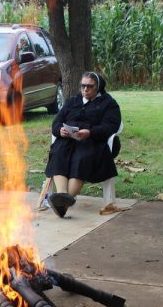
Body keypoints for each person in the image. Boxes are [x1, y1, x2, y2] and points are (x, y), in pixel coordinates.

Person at [44, 71, 121, 218]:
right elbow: (56, 122)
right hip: (67, 141)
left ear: (98, 87)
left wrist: (90, 132)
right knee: (59, 152)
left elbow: (111, 126)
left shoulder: (108, 104)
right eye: (83, 86)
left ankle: (63, 202)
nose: (85, 89)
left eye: (89, 86)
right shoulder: (72, 101)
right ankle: (62, 196)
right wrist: (60, 130)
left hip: (93, 142)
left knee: (82, 158)